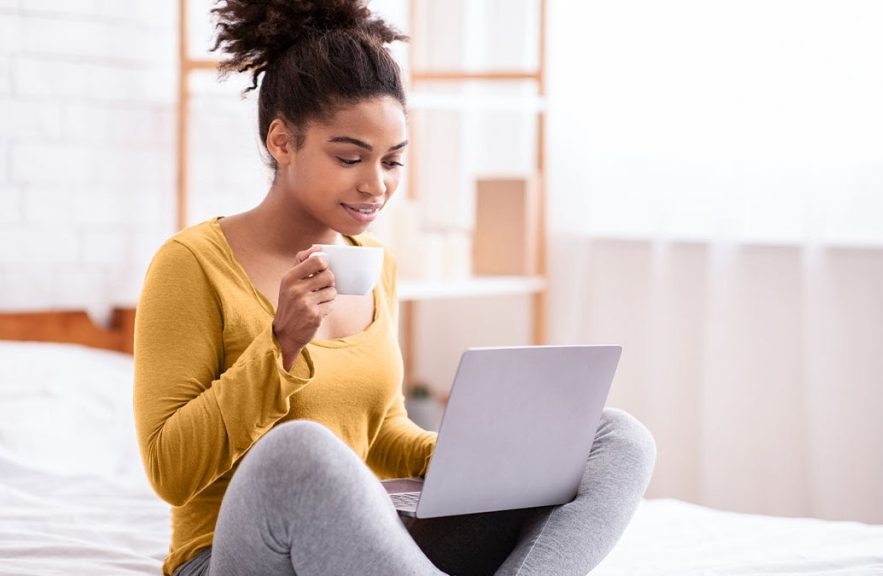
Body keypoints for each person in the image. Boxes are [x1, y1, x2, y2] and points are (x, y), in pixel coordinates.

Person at [133, 1, 656, 575]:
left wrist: (475, 456)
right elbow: (169, 474)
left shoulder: (375, 262)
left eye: (392, 161)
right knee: (299, 451)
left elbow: (381, 430)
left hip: (366, 543)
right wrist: (278, 347)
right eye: (350, 157)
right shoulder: (192, 264)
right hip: (239, 554)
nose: (376, 185)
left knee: (615, 436)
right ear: (282, 141)